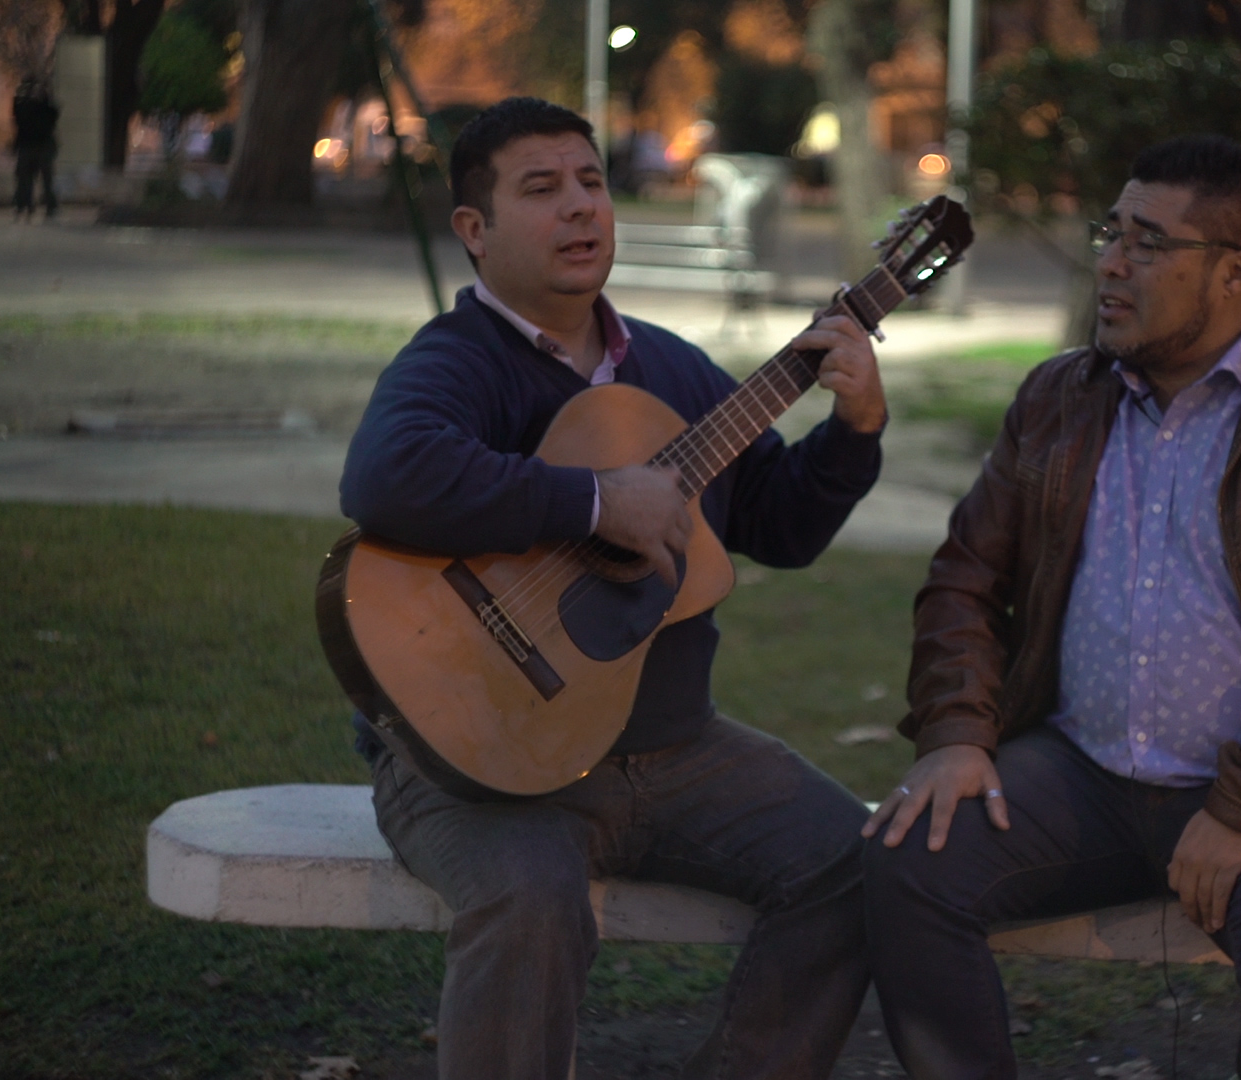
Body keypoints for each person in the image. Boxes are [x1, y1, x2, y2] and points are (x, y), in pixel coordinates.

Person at [861, 134, 1241, 1080]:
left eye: (1149, 244)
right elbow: (966, 575)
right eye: (1110, 234)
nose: (1111, 265)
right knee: (907, 864)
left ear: (1234, 272)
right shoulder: (1059, 399)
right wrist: (959, 733)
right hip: (1079, 772)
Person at [341, 97, 888, 1080]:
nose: (581, 209)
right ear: (474, 230)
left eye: (591, 183)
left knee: (859, 864)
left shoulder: (674, 367)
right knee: (529, 902)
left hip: (676, 750)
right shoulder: (456, 364)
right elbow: (390, 477)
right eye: (542, 190)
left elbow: (780, 524)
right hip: (484, 759)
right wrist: (595, 504)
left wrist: (852, 432)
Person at [11, 81, 60, 221]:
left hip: (32, 146)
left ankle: (26, 205)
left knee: (29, 179)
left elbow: (17, 111)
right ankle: (31, 205)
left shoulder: (30, 108)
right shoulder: (43, 109)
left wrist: (25, 92)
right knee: (40, 179)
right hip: (37, 146)